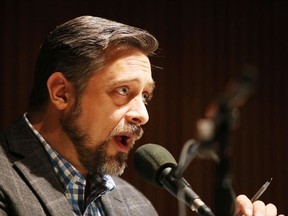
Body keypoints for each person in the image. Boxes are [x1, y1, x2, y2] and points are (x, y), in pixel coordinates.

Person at [0, 15, 282, 216]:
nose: (142, 114)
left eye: (145, 96)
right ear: (62, 93)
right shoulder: (5, 182)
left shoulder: (136, 205)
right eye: (123, 90)